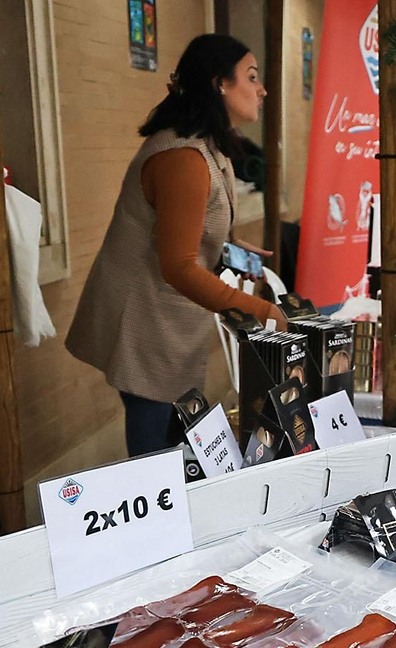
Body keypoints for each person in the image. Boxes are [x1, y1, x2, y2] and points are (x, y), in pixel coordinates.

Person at [66, 34, 277, 458]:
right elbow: (179, 265)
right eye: (251, 77)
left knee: (173, 445)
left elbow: (192, 229)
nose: (262, 89)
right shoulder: (182, 156)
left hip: (171, 324)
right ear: (219, 83)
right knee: (154, 458)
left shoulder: (208, 146)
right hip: (145, 325)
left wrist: (231, 249)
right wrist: (260, 310)